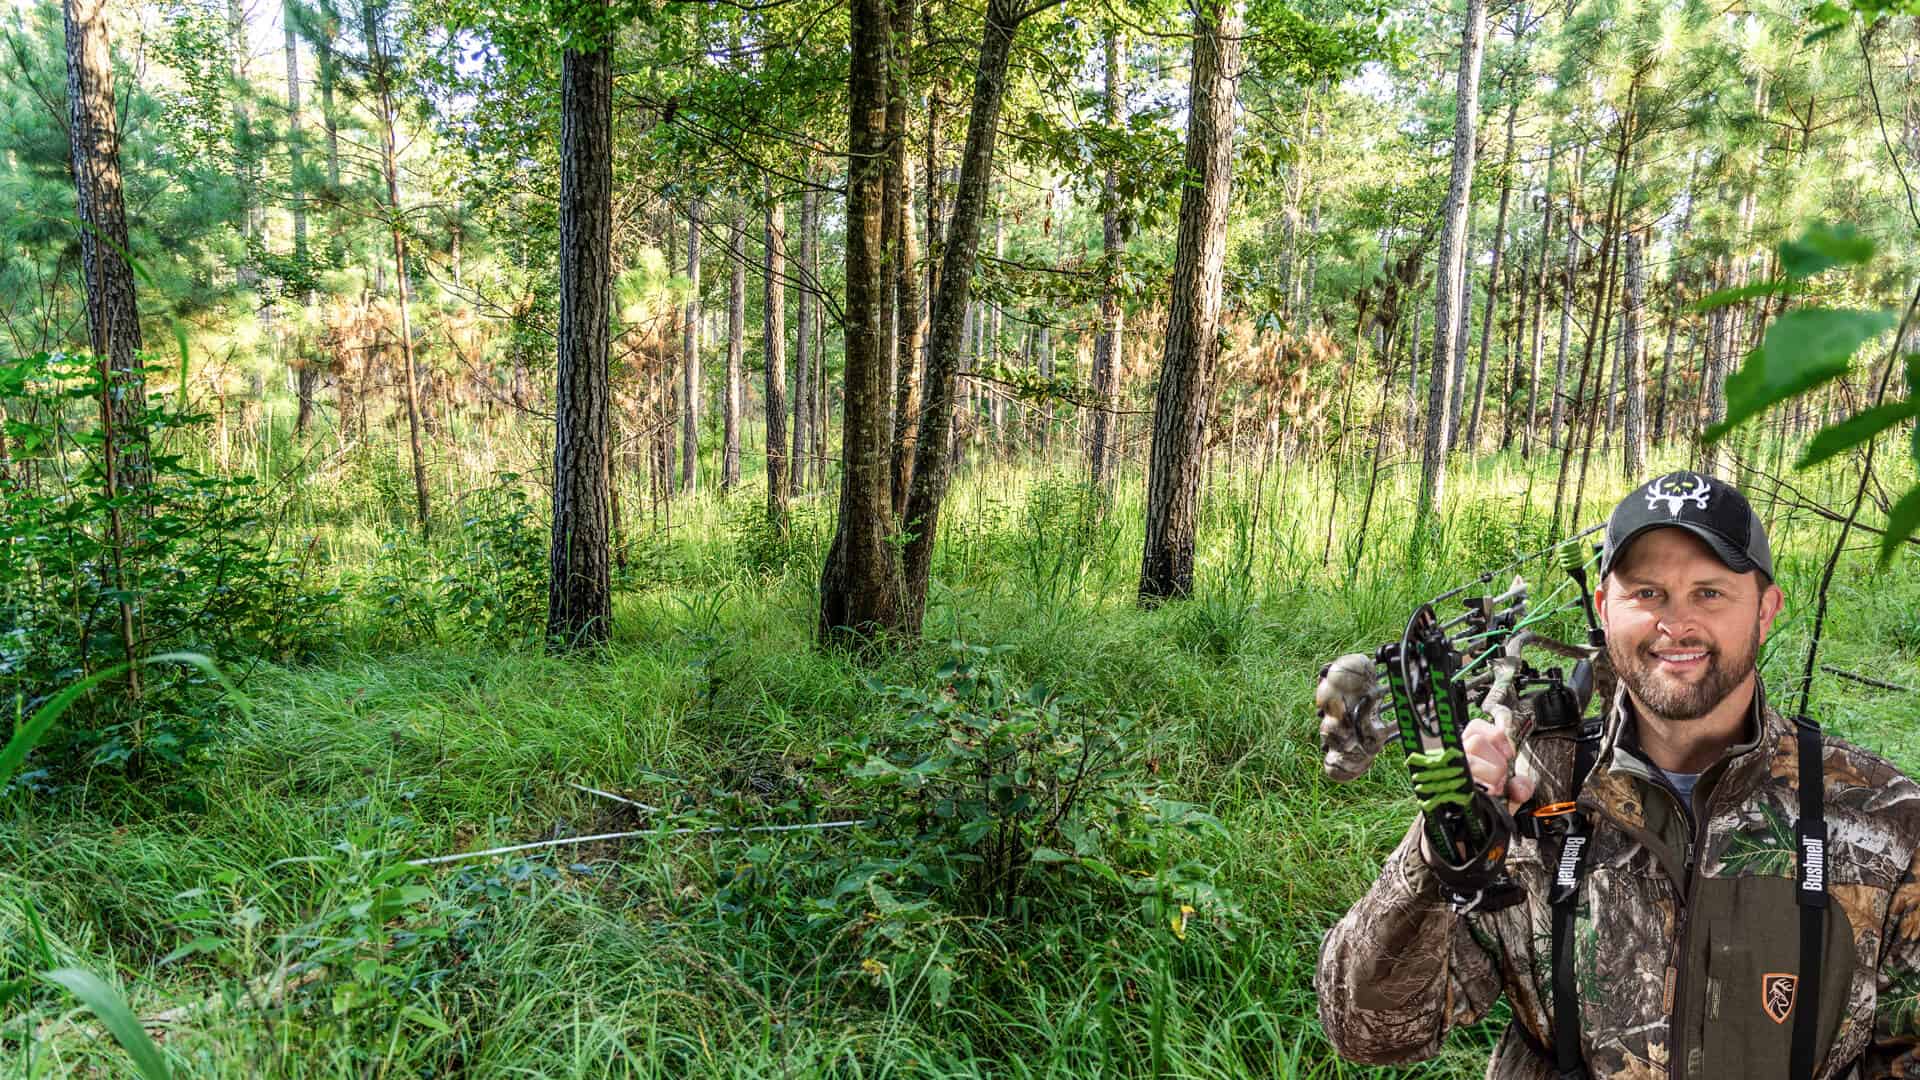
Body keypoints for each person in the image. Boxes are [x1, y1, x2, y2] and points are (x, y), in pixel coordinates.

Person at [1313, 470, 1920, 1079]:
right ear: (1604, 609)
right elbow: (1367, 1031)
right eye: (1647, 593)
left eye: (1709, 593)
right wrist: (1443, 847)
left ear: (1765, 611)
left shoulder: (1881, 815)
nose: (1675, 624)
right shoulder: (1534, 793)